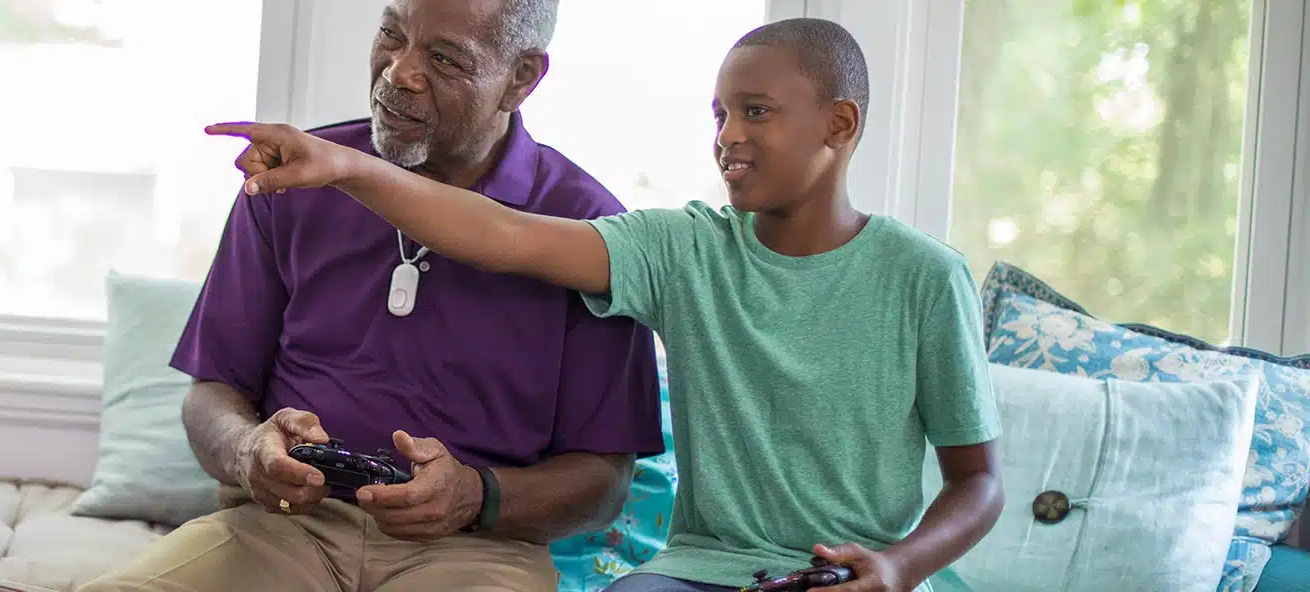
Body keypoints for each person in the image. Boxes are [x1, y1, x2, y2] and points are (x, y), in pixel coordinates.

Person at [196, 17, 1005, 592]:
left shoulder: (925, 278)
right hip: (701, 571)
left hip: (860, 573)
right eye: (719, 114)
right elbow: (504, 235)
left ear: (840, 123)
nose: (726, 135)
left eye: (756, 112)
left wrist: (901, 565)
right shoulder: (682, 250)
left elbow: (980, 484)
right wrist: (347, 168)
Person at [77, 1, 666, 591]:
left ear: (521, 78)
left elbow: (603, 485)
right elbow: (212, 394)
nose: (397, 72)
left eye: (442, 57)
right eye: (391, 32)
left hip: (478, 551)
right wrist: (245, 450)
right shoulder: (295, 178)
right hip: (282, 528)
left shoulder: (587, 230)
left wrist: (474, 496)